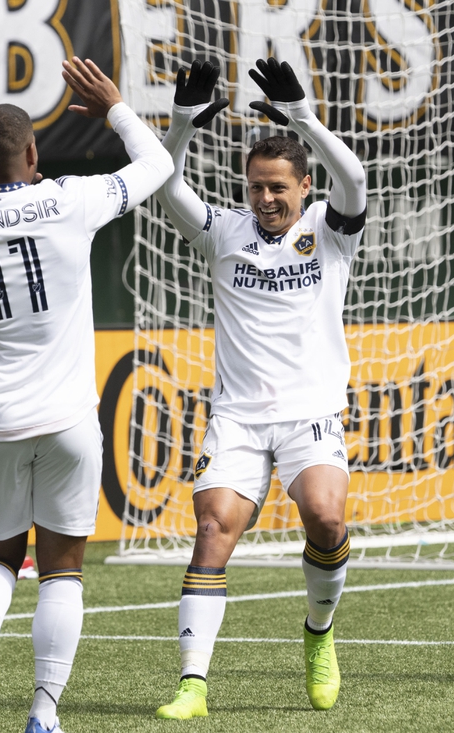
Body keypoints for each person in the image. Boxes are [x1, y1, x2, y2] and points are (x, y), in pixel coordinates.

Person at [0, 57, 172, 733]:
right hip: (67, 422)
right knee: (62, 571)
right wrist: (115, 106)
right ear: (34, 151)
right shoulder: (71, 199)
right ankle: (44, 711)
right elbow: (156, 168)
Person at [151, 58, 366, 718]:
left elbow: (355, 176)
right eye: (256, 189)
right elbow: (163, 185)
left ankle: (319, 635)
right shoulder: (222, 230)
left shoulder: (330, 229)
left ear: (305, 187)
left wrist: (303, 115)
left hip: (310, 414)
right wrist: (183, 124)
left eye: (278, 188)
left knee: (327, 518)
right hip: (239, 418)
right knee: (213, 528)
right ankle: (193, 683)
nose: (266, 200)